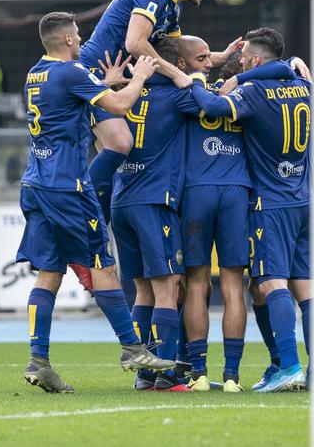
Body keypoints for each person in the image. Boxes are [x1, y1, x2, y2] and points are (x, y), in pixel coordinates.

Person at [16, 12, 175, 394]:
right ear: (69, 40)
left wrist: (102, 83)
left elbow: (68, 100)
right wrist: (138, 77)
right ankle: (132, 349)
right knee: (103, 266)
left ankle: (39, 361)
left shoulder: (36, 74)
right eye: (79, 34)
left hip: (36, 184)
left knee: (49, 272)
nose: (82, 39)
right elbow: (119, 107)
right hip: (68, 188)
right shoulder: (71, 72)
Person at [80, 0, 241, 224]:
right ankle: (81, 214)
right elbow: (135, 42)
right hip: (98, 74)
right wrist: (176, 74)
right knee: (120, 143)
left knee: (115, 157)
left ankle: (95, 231)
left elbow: (184, 56)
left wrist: (222, 57)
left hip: (122, 79)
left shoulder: (173, 9)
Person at [190, 27, 312, 392]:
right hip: (304, 198)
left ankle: (289, 366)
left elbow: (213, 106)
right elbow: (288, 69)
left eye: (244, 60)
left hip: (270, 201)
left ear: (256, 60)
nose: (240, 65)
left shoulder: (255, 91)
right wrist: (288, 63)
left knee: (271, 282)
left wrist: (195, 79)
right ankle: (310, 369)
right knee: (305, 288)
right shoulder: (304, 86)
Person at [110, 39, 203, 392]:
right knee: (168, 288)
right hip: (154, 201)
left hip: (121, 201)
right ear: (173, 63)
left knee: (142, 292)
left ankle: (144, 373)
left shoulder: (124, 94)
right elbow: (206, 100)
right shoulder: (175, 96)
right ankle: (167, 373)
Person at [175, 36, 250, 394]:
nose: (208, 63)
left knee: (197, 282)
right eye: (203, 58)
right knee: (234, 284)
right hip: (236, 189)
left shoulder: (188, 93)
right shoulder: (243, 95)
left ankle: (199, 373)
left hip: (197, 190)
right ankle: (232, 376)